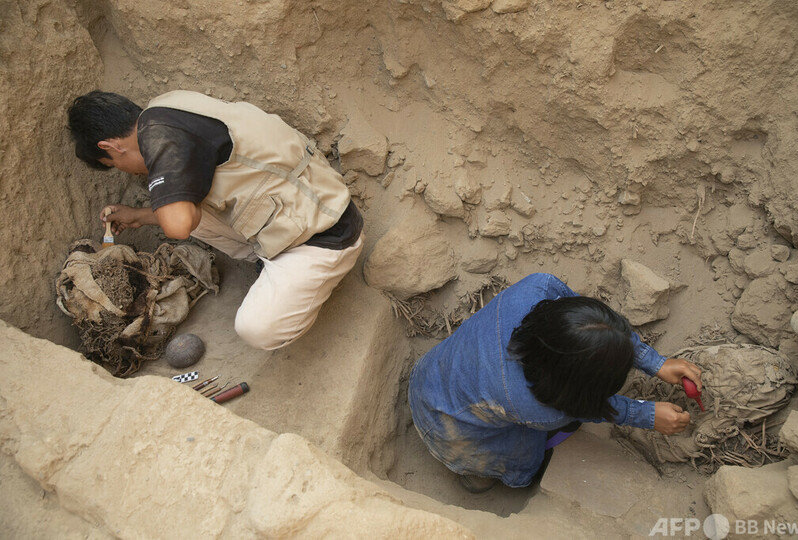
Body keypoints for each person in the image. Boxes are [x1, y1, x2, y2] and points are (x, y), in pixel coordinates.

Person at [67, 90, 363, 350]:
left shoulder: (158, 138)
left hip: (326, 235)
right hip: (314, 197)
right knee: (188, 202)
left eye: (115, 165)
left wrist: (164, 205)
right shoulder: (167, 107)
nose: (128, 171)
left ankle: (305, 282)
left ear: (110, 147)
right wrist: (139, 217)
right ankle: (272, 267)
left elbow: (178, 226)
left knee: (256, 329)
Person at [408, 273, 703, 493]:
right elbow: (585, 408)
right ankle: (474, 473)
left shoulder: (538, 288)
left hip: (431, 372)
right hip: (449, 430)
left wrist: (657, 362)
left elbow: (602, 329)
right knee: (525, 462)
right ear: (570, 385)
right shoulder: (535, 408)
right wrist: (646, 415)